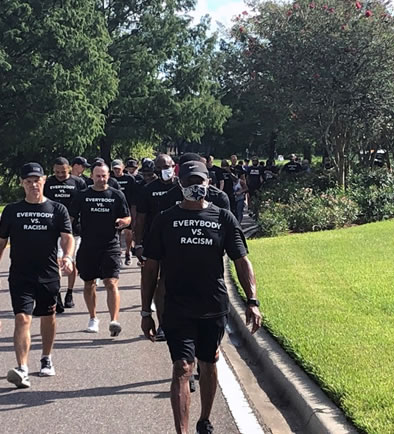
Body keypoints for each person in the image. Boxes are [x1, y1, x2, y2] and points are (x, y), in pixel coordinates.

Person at [140, 160, 263, 434]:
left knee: (209, 363)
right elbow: (150, 269)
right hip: (177, 307)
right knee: (183, 367)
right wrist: (146, 311)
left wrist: (252, 300)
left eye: (200, 182)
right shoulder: (165, 220)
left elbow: (241, 261)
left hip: (213, 305)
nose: (196, 187)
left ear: (208, 183)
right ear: (180, 184)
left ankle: (204, 418)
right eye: (190, 182)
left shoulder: (222, 218)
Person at [0, 162, 75, 388]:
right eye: (28, 181)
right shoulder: (12, 210)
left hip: (49, 274)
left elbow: (67, 237)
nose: (33, 185)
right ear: (22, 183)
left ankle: (46, 357)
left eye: (36, 180)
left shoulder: (57, 210)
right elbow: (0, 243)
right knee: (22, 318)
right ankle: (22, 368)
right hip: (21, 275)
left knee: (48, 318)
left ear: (44, 180)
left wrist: (67, 257)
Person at [70, 162, 131, 335]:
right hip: (88, 245)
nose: (101, 179)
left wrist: (123, 222)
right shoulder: (82, 195)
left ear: (108, 176)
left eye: (104, 175)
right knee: (89, 283)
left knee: (111, 282)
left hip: (110, 244)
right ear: (91, 176)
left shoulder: (116, 195)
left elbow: (127, 217)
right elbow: (71, 217)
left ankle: (114, 320)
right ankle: (93, 318)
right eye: (97, 175)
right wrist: (68, 232)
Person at [133, 154, 177, 340]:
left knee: (167, 283)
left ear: (173, 166)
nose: (163, 172)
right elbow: (140, 219)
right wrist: (138, 244)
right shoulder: (148, 190)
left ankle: (172, 322)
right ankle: (161, 324)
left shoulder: (181, 187)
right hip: (152, 242)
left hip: (174, 242)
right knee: (152, 280)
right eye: (158, 169)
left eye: (166, 167)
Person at [44, 157, 87, 312]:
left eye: (63, 172)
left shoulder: (78, 183)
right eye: (57, 172)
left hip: (74, 229)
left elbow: (83, 204)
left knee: (72, 261)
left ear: (69, 169)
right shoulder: (48, 182)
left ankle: (70, 292)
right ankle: (57, 295)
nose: (60, 175)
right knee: (56, 261)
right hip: (52, 228)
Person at [111, 159, 138, 265]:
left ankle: (128, 252)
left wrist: (133, 212)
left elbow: (134, 196)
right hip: (114, 209)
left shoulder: (130, 179)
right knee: (115, 233)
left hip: (127, 208)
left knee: (128, 232)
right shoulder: (111, 179)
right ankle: (117, 253)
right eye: (115, 169)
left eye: (118, 168)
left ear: (123, 168)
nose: (117, 171)